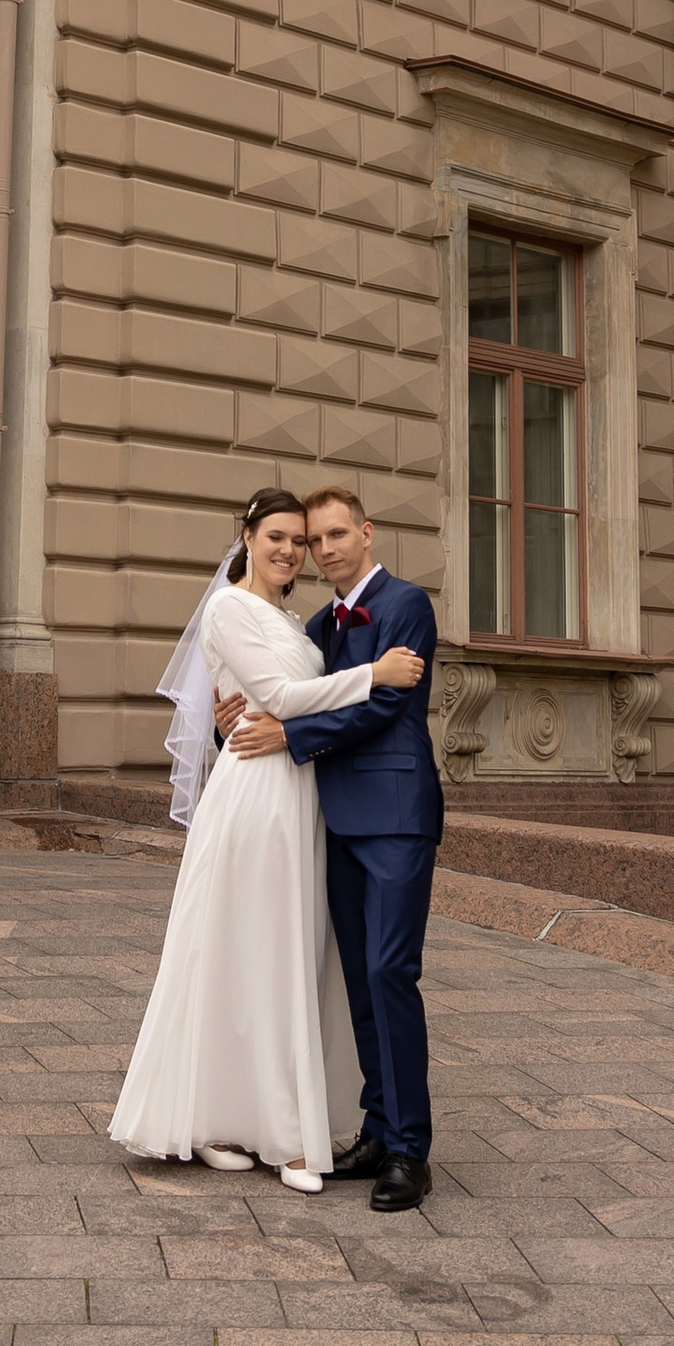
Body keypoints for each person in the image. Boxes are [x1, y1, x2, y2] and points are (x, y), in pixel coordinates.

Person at [108, 486, 427, 1191]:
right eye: (282, 536)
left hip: (326, 803)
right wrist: (366, 675)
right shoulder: (238, 609)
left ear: (362, 534)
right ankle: (257, 1123)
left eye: (307, 538)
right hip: (262, 798)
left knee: (317, 962)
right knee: (249, 950)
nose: (298, 549)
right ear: (247, 536)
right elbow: (278, 702)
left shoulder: (327, 616)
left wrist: (271, 723)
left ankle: (352, 1132)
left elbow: (292, 701)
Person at [225, 488, 441, 1214]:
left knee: (390, 970)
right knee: (358, 982)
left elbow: (381, 705)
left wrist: (290, 736)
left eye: (337, 533)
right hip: (337, 821)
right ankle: (377, 1129)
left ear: (368, 530)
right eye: (315, 540)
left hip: (397, 815)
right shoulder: (320, 623)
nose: (325, 549)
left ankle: (411, 1149)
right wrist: (239, 711)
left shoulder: (408, 604)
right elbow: (297, 688)